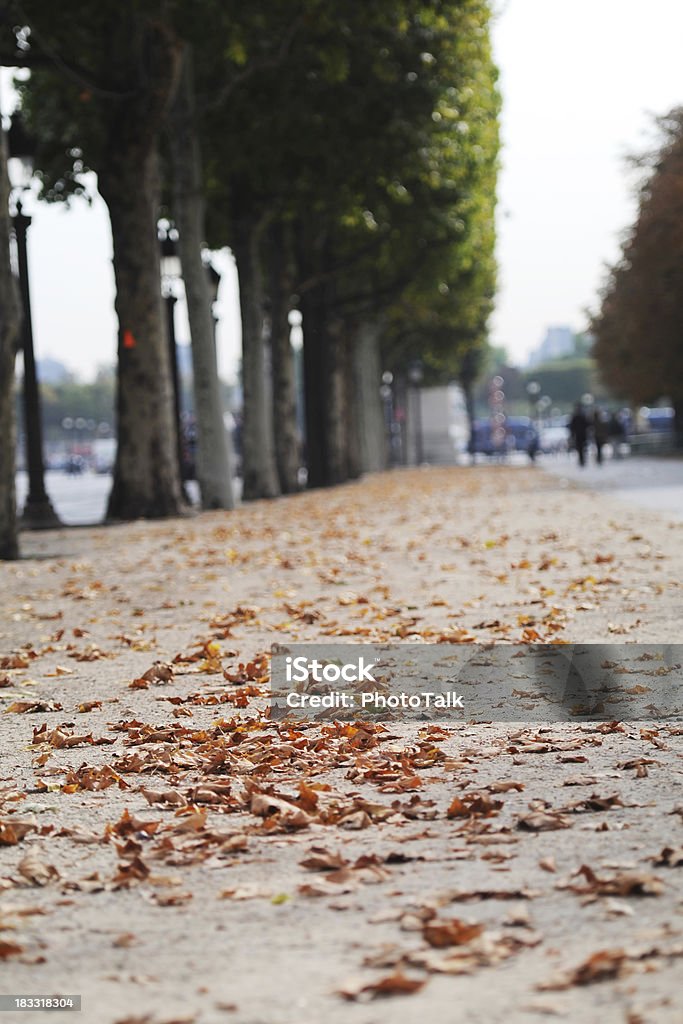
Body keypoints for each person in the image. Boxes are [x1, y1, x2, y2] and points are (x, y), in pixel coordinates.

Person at [568, 402, 589, 467]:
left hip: (580, 435)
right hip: (581, 435)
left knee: (580, 448)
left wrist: (572, 434)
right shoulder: (581, 415)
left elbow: (572, 426)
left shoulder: (576, 416)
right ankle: (582, 460)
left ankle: (581, 460)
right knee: (581, 448)